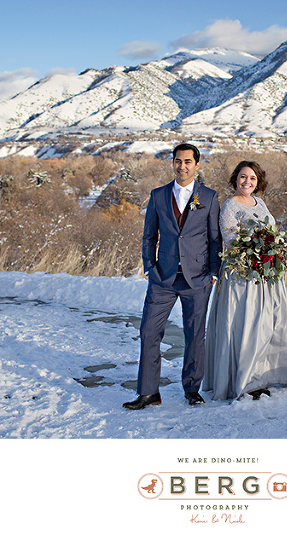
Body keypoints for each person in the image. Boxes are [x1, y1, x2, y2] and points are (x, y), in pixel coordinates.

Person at [123, 143, 222, 410]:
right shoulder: (158, 195)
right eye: (178, 161)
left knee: (194, 335)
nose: (182, 166)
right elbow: (149, 236)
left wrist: (213, 273)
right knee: (149, 331)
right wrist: (149, 267)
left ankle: (192, 389)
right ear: (173, 163)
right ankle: (148, 392)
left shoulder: (209, 197)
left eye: (188, 161)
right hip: (163, 278)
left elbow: (215, 239)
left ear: (197, 165)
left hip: (197, 278)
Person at [203, 161, 287, 401]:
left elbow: (271, 231)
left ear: (258, 182)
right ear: (235, 179)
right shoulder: (229, 206)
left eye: (252, 178)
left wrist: (272, 252)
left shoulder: (260, 203)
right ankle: (243, 381)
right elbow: (232, 241)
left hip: (264, 274)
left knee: (264, 325)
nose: (247, 182)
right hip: (241, 275)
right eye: (243, 177)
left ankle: (262, 375)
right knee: (244, 326)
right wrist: (258, 253)